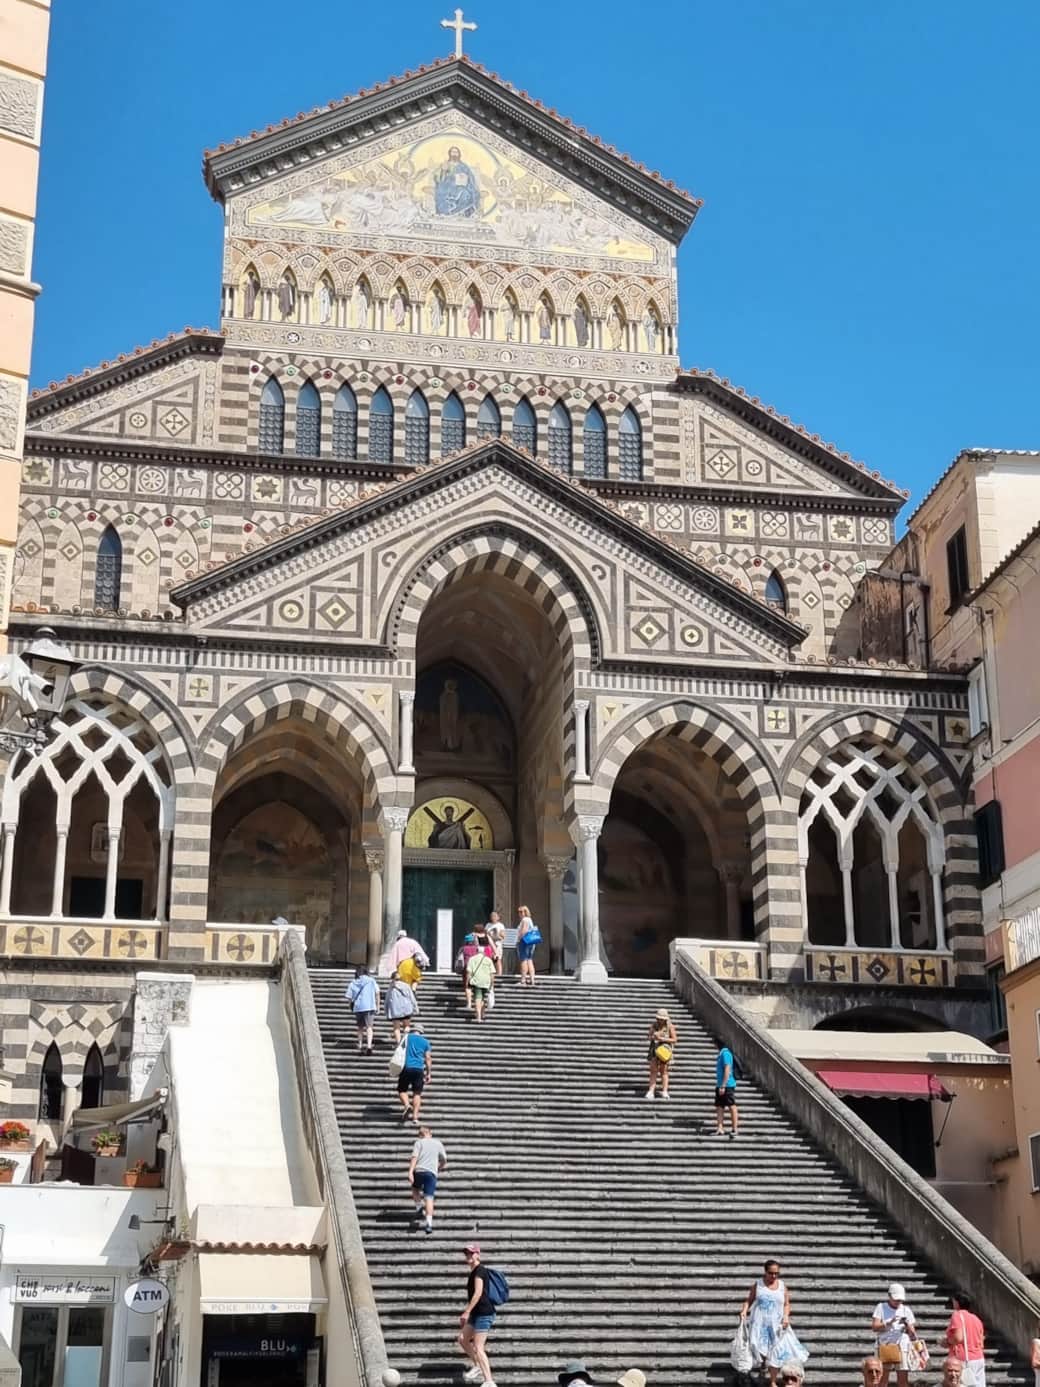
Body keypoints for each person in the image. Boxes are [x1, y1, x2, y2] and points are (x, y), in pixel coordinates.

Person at [741, 1258, 791, 1385]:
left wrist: (786, 1316)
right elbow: (749, 1300)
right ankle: (763, 1368)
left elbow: (786, 1304)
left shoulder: (782, 1286)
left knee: (775, 1351)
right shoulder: (758, 1285)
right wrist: (744, 1310)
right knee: (761, 1351)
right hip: (759, 1324)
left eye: (776, 1273)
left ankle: (772, 1381)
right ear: (765, 1272)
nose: (774, 1276)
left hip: (776, 1325)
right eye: (771, 1273)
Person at [458, 1243, 497, 1387]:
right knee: (463, 1339)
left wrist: (466, 1312)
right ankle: (478, 1366)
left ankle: (489, 1381)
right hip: (476, 1313)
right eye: (467, 1253)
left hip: (484, 1313)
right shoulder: (474, 1271)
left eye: (471, 1253)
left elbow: (478, 1293)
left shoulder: (480, 1270)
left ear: (478, 1254)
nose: (469, 1255)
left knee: (479, 1347)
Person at [872, 1283, 916, 1387]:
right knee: (882, 1379)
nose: (898, 1302)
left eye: (900, 1300)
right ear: (889, 1296)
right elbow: (874, 1327)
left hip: (902, 1347)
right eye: (896, 1299)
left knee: (903, 1381)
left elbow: (913, 1334)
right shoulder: (881, 1307)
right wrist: (888, 1323)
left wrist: (907, 1324)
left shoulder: (906, 1310)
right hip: (884, 1345)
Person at [407, 1123, 446, 1235]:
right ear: (430, 1133)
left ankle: (419, 1207)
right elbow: (444, 1160)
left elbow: (414, 1157)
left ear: (420, 1135)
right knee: (429, 1198)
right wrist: (438, 1169)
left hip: (419, 1171)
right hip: (431, 1174)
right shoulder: (438, 1143)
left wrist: (410, 1172)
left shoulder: (418, 1143)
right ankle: (429, 1224)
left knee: (415, 1188)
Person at [944, 1292, 985, 1387]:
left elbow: (958, 1338)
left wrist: (946, 1341)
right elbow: (981, 1340)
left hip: (963, 1358)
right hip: (978, 1358)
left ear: (957, 1303)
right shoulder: (976, 1318)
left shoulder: (957, 1315)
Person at [398, 1022, 431, 1123]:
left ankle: (407, 1105)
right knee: (417, 1093)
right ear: (421, 1032)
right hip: (419, 1069)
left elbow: (399, 1050)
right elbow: (428, 1058)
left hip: (406, 1067)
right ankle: (415, 1117)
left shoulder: (407, 1038)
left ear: (413, 1030)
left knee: (402, 1090)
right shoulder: (426, 1042)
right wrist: (428, 1073)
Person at [345, 966, 380, 1054]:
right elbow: (377, 993)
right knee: (369, 1027)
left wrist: (350, 1006)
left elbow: (349, 996)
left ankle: (360, 1045)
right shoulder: (371, 981)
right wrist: (378, 1005)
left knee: (360, 1027)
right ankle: (369, 1046)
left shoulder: (353, 982)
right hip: (370, 1006)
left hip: (358, 1007)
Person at [646, 1008, 677, 1100]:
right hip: (654, 1049)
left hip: (664, 1050)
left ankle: (665, 1091)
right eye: (659, 1018)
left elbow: (675, 1039)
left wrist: (663, 1039)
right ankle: (651, 1091)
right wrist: (653, 1037)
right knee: (653, 1070)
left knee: (664, 1071)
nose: (660, 1020)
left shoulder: (670, 1026)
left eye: (661, 1019)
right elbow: (648, 1037)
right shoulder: (654, 1025)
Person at [385, 970, 418, 1045]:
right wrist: (415, 1007)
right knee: (406, 1026)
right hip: (406, 1009)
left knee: (396, 1028)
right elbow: (411, 997)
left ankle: (398, 1043)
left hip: (395, 1010)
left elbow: (387, 1000)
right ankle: (405, 1040)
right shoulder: (406, 985)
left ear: (392, 978)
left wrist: (386, 1010)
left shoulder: (391, 988)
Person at [466, 943, 496, 1023]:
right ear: (484, 952)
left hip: (476, 981)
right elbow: (492, 973)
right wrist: (492, 984)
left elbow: (469, 971)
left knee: (477, 998)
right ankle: (482, 1014)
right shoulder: (488, 960)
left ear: (476, 951)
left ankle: (479, 1016)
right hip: (486, 981)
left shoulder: (472, 959)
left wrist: (467, 981)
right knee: (482, 998)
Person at [715, 1042, 739, 1136]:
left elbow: (727, 1069)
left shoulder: (726, 1053)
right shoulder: (722, 1054)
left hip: (727, 1085)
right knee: (720, 1106)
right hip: (720, 1084)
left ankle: (734, 1129)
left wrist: (723, 1085)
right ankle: (720, 1128)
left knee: (731, 1105)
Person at [516, 905, 538, 986]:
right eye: (519, 912)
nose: (519, 914)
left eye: (521, 912)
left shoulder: (525, 920)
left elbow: (524, 931)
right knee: (529, 960)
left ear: (525, 912)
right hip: (531, 942)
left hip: (524, 942)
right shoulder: (529, 920)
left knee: (523, 960)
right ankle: (532, 979)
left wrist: (518, 939)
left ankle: (523, 980)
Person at [486, 911, 506, 977]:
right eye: (492, 916)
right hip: (489, 944)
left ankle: (499, 974)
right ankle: (489, 973)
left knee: (497, 959)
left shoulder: (500, 925)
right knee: (489, 959)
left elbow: (503, 936)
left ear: (498, 917)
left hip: (497, 944)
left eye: (495, 916)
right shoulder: (488, 925)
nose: (493, 917)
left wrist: (497, 935)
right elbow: (485, 934)